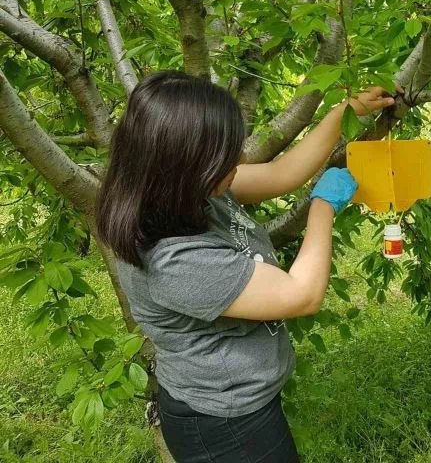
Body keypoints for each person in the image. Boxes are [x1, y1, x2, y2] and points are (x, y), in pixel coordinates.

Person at [95, 70, 395, 462]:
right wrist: (322, 207)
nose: (239, 160)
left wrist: (346, 111)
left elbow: (281, 173)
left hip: (234, 408)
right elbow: (301, 295)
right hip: (224, 424)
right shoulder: (174, 260)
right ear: (185, 163)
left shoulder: (180, 192)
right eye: (226, 156)